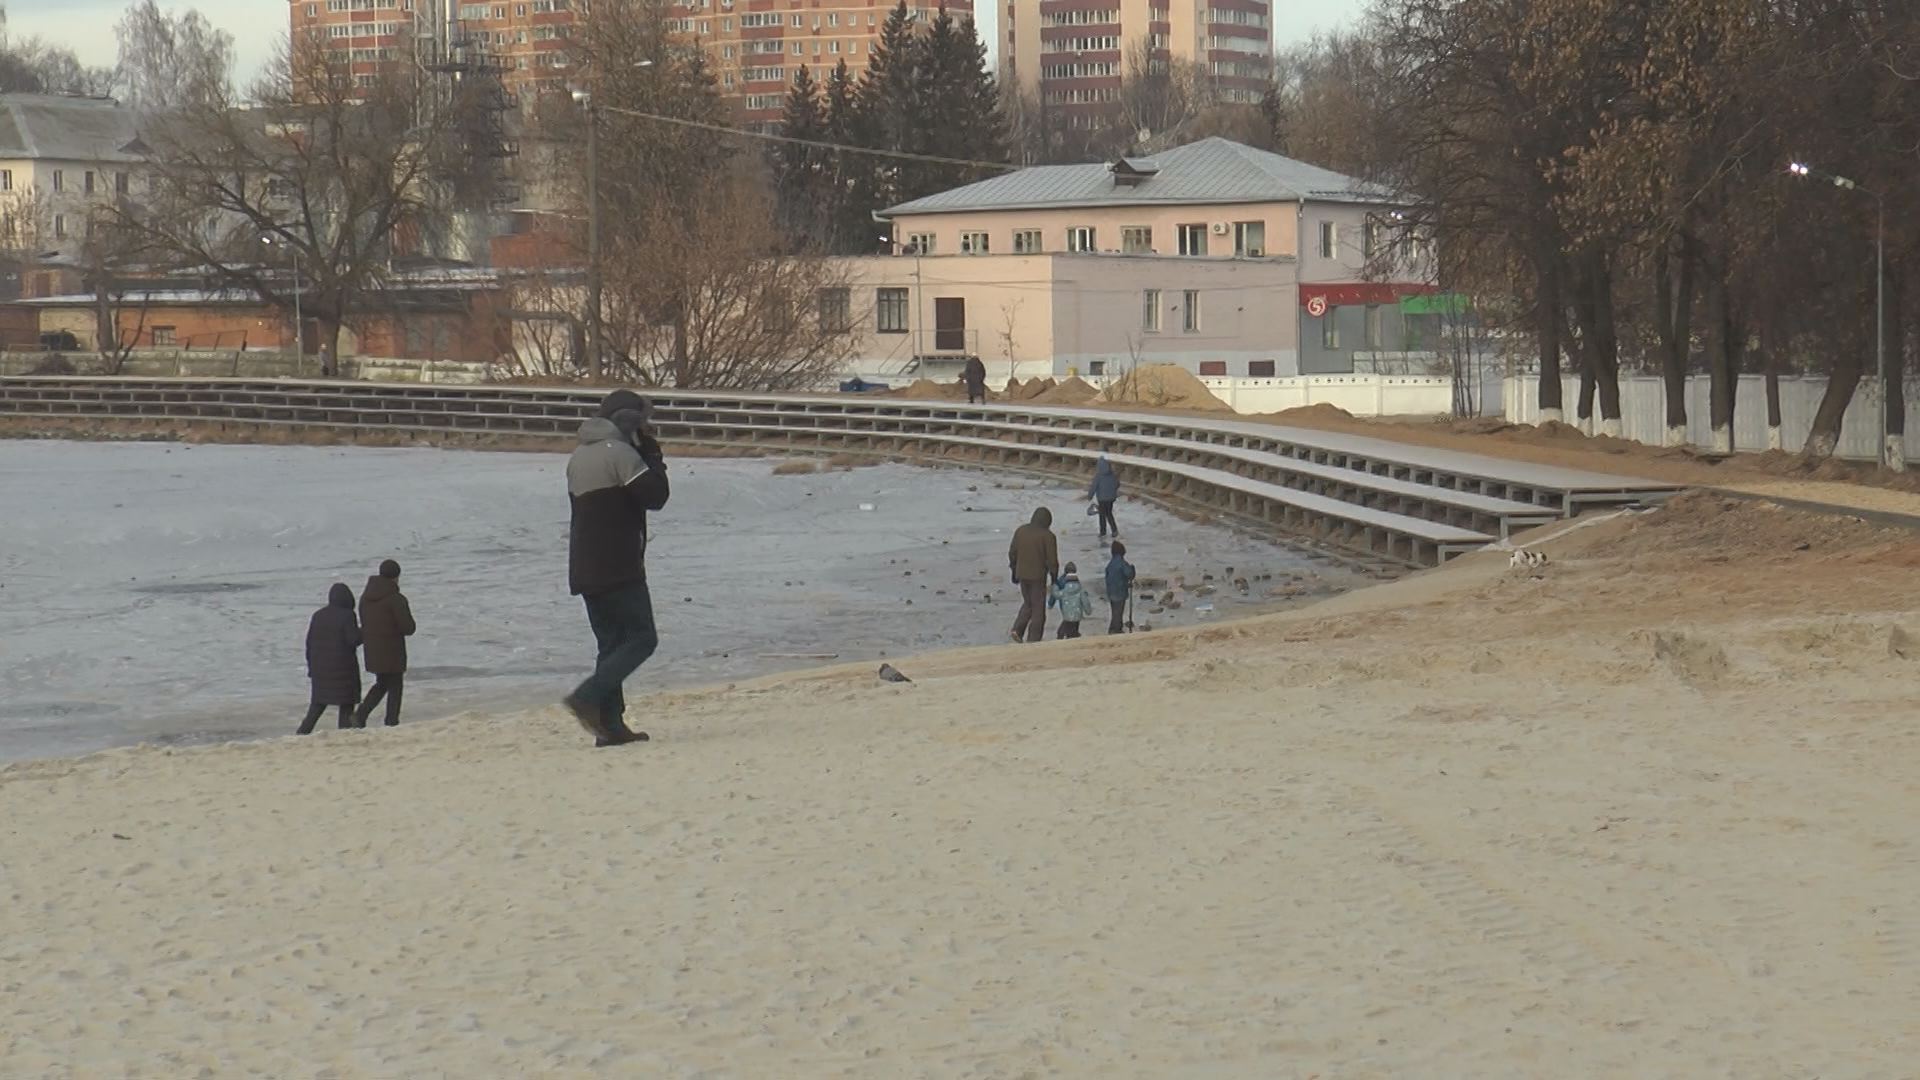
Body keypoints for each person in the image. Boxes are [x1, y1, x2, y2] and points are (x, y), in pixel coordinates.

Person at [562, 388, 670, 747]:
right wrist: (652, 455)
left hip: (584, 565)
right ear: (630, 422)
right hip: (618, 563)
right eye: (643, 421)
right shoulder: (620, 453)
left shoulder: (580, 455)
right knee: (642, 638)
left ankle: (610, 727)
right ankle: (588, 697)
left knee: (611, 644)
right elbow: (655, 496)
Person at [354, 558, 416, 727]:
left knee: (382, 683)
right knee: (395, 685)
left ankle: (360, 715)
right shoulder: (396, 599)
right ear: (396, 577)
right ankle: (391, 721)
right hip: (393, 650)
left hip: (373, 650)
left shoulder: (365, 598)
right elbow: (408, 628)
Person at [297, 583, 363, 734]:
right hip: (343, 670)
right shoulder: (347, 615)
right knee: (346, 704)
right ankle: (343, 733)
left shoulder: (318, 615)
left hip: (320, 669)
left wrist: (311, 667)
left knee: (317, 705)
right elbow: (353, 639)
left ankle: (302, 732)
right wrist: (364, 631)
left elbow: (309, 643)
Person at [1007, 506, 1059, 644]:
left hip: (1022, 574)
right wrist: (1054, 578)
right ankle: (1034, 639)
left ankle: (1017, 630)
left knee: (1028, 603)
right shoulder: (1048, 536)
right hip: (1038, 576)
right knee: (1038, 609)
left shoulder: (1021, 531)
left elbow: (1012, 553)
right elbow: (1052, 561)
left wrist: (1013, 571)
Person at [1050, 562, 1095, 639]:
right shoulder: (1080, 589)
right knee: (1074, 628)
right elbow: (1085, 602)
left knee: (1064, 629)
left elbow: (1055, 594)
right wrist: (1088, 611)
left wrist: (1054, 584)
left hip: (1066, 613)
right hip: (1077, 614)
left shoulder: (1063, 588)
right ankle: (1073, 636)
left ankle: (1063, 638)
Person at [1104, 540, 1136, 635]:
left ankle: (1113, 628)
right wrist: (1133, 570)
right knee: (1118, 612)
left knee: (1115, 611)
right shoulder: (1121, 563)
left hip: (1111, 591)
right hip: (1120, 591)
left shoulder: (1110, 564)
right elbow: (1129, 574)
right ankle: (1116, 630)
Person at [1088, 454, 1121, 539]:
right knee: (1109, 513)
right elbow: (1117, 484)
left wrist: (1090, 496)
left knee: (1102, 515)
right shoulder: (1112, 475)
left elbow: (1094, 487)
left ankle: (1103, 532)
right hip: (1111, 498)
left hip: (1102, 499)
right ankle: (1114, 530)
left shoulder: (1098, 476)